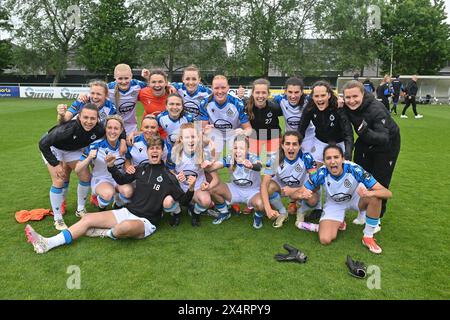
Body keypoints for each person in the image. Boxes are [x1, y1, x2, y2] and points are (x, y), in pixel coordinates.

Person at [25, 135, 197, 254]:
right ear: (147, 151)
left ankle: (103, 233)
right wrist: (112, 166)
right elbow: (121, 180)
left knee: (123, 228)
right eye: (151, 148)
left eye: (157, 149)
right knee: (87, 219)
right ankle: (48, 243)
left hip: (146, 222)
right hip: (127, 212)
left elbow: (183, 200)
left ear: (162, 152)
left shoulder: (169, 176)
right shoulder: (140, 169)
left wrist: (190, 188)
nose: (154, 151)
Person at [288, 145, 392, 254]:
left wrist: (369, 193)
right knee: (325, 239)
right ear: (324, 161)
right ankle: (336, 223)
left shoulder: (355, 169)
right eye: (328, 158)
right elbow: (295, 195)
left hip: (356, 199)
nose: (332, 161)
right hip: (334, 204)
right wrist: (301, 195)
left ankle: (368, 237)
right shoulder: (321, 173)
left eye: (336, 157)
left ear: (342, 158)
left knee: (375, 197)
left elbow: (387, 193)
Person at [342, 80, 400, 229]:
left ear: (363, 94)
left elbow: (383, 137)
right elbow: (349, 132)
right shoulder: (346, 106)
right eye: (347, 97)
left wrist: (364, 131)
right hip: (365, 141)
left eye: (355, 96)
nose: (351, 100)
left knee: (379, 181)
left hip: (387, 145)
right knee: (360, 177)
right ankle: (362, 213)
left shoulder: (377, 109)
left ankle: (376, 219)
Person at [38, 104, 106, 230]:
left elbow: (118, 129)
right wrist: (56, 164)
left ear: (98, 119)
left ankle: (80, 209)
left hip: (72, 149)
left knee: (85, 176)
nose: (89, 121)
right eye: (85, 117)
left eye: (92, 118)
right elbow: (43, 144)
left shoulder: (100, 129)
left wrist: (124, 140)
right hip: (53, 147)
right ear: (79, 117)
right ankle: (57, 218)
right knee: (59, 179)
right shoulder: (67, 129)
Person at [203, 135, 265, 228]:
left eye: (242, 148)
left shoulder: (253, 157)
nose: (238, 151)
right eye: (235, 148)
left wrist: (251, 166)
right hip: (234, 190)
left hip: (252, 192)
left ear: (247, 149)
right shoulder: (230, 158)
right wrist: (207, 163)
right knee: (212, 188)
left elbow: (259, 167)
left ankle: (257, 216)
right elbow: (213, 167)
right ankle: (224, 212)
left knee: (260, 204)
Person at [260, 131, 318, 229]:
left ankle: (301, 211)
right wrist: (268, 209)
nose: (291, 148)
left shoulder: (306, 157)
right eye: (287, 144)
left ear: (300, 146)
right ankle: (282, 212)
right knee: (269, 187)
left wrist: (295, 190)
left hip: (301, 189)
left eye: (295, 144)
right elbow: (264, 185)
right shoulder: (275, 158)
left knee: (313, 199)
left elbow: (317, 183)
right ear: (282, 145)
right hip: (282, 188)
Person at [75, 115, 133, 211]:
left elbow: (127, 161)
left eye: (116, 128)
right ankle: (102, 207)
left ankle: (117, 205)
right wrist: (89, 157)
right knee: (107, 194)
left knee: (128, 192)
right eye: (109, 127)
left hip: (119, 178)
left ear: (121, 130)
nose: (112, 131)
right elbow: (77, 169)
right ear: (105, 129)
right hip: (101, 179)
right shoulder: (95, 145)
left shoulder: (124, 146)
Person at [167, 123, 219, 227]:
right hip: (180, 190)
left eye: (193, 137)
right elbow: (169, 171)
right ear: (181, 139)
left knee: (206, 201)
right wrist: (176, 176)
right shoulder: (174, 154)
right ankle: (177, 213)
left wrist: (210, 163)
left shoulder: (202, 153)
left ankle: (196, 213)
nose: (191, 140)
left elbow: (215, 160)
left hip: (197, 189)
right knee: (167, 203)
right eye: (187, 137)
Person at [298, 80, 354, 165]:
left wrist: (348, 155)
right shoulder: (310, 108)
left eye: (323, 95)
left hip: (339, 142)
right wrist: (295, 145)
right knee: (313, 169)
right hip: (320, 141)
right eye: (316, 96)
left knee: (339, 170)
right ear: (312, 97)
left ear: (329, 95)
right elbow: (301, 129)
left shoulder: (338, 106)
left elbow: (348, 133)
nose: (320, 99)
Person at [199, 75, 252, 159]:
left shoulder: (237, 103)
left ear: (228, 88)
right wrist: (205, 130)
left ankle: (235, 168)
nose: (220, 91)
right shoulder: (205, 102)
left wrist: (243, 132)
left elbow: (249, 129)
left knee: (236, 162)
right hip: (216, 134)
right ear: (212, 88)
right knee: (208, 161)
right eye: (216, 88)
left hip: (233, 134)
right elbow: (203, 128)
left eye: (223, 88)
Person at [108, 64, 147, 135]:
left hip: (131, 126)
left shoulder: (137, 84)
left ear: (131, 76)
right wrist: (83, 96)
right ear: (114, 77)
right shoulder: (109, 87)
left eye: (126, 78)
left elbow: (156, 85)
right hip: (113, 126)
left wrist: (169, 86)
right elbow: (94, 93)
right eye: (120, 78)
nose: (123, 81)